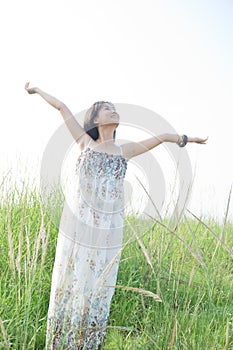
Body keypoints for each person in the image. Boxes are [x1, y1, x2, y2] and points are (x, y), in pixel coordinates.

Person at [25, 82, 207, 349]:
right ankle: (60, 343)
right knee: (71, 282)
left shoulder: (125, 150)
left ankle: (86, 343)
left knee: (95, 288)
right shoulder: (85, 142)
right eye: (106, 109)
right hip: (79, 225)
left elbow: (162, 137)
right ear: (95, 119)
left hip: (108, 230)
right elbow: (62, 107)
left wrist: (186, 139)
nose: (113, 111)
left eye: (114, 109)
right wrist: (37, 91)